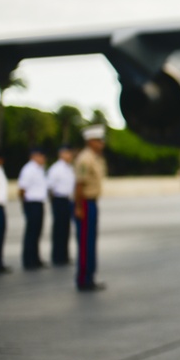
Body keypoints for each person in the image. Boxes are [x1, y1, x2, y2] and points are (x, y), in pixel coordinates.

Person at [73, 125, 108, 291]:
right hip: (85, 203)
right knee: (86, 242)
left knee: (91, 241)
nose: (102, 143)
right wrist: (79, 207)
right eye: (98, 140)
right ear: (90, 141)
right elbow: (79, 185)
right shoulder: (85, 159)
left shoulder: (94, 157)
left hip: (92, 202)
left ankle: (90, 277)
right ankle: (84, 279)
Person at [17, 148, 48, 269]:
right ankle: (28, 260)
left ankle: (35, 258)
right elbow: (22, 189)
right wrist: (25, 206)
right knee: (31, 233)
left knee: (36, 232)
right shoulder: (28, 169)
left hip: (38, 203)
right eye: (41, 156)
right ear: (34, 156)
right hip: (31, 203)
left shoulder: (39, 169)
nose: (43, 159)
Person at [47, 146, 76, 265]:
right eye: (68, 153)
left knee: (65, 228)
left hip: (68, 200)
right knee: (58, 229)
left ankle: (64, 255)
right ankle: (57, 256)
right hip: (59, 200)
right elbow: (50, 187)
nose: (70, 156)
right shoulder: (56, 168)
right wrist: (54, 202)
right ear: (61, 154)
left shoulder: (69, 168)